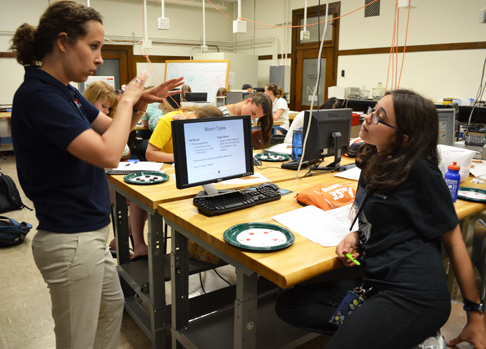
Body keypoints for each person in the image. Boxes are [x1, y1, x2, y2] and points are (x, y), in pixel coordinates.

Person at [9, 1, 184, 347]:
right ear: (63, 42)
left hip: (89, 234)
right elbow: (109, 154)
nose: (100, 57)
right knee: (77, 337)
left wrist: (139, 105)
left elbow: (112, 132)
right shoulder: (39, 95)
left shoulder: (67, 93)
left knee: (110, 309)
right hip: (70, 239)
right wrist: (127, 98)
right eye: (94, 46)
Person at [275, 90, 486, 349]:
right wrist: (357, 235)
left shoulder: (420, 172)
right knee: (291, 304)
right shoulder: (373, 160)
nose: (368, 117)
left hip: (414, 295)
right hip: (376, 283)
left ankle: (400, 330)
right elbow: (382, 216)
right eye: (373, 111)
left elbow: (455, 244)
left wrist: (475, 315)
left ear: (403, 137)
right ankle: (389, 334)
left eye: (379, 117)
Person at [146, 105, 223, 163]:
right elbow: (150, 154)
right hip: (170, 165)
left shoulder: (201, 120)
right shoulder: (168, 120)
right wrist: (182, 157)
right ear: (197, 117)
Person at [83, 80, 131, 160]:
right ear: (89, 102)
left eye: (109, 108)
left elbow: (126, 154)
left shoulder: (108, 120)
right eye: (104, 106)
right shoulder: (80, 123)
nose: (107, 111)